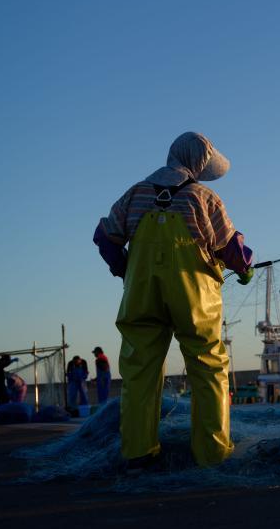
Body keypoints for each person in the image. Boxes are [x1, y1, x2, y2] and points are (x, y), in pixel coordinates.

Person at [93, 132, 253, 468]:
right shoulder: (204, 197)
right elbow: (231, 249)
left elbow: (105, 236)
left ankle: (138, 452)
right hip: (194, 298)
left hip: (141, 295)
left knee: (139, 371)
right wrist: (245, 269)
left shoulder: (135, 193)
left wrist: (124, 268)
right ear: (198, 163)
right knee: (208, 365)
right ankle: (212, 454)